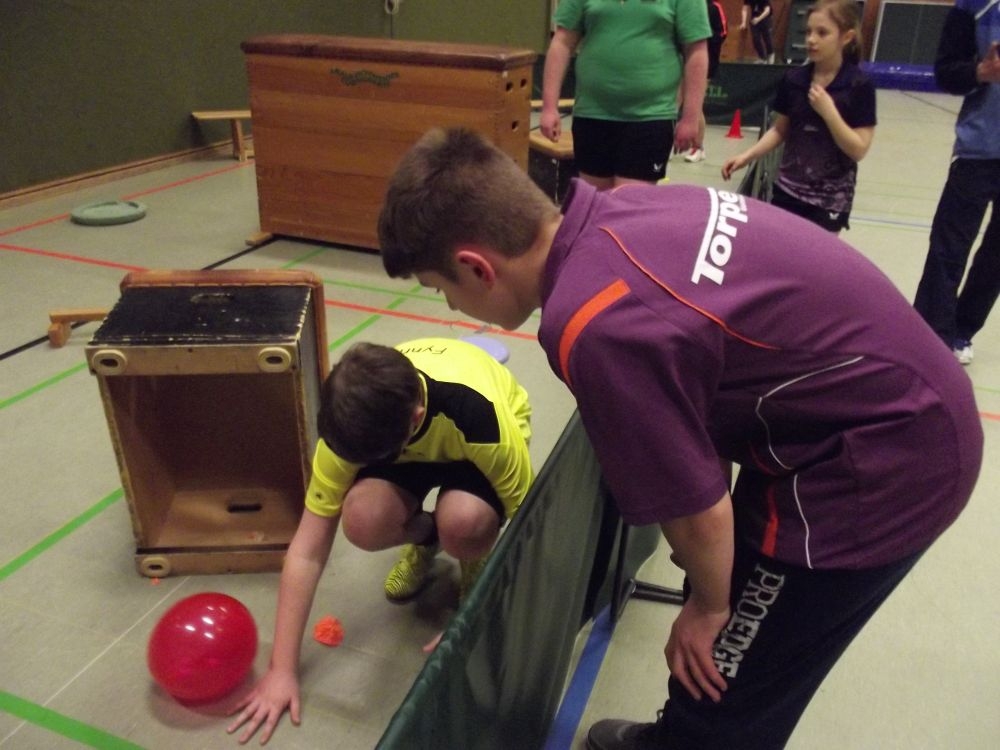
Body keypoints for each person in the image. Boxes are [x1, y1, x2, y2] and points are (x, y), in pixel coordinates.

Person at [377, 127, 982, 750]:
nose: (451, 308)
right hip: (866, 408)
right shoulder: (623, 206)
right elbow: (699, 417)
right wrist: (707, 582)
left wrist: (711, 607)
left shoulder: (594, 323)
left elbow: (700, 513)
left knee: (726, 670)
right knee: (717, 600)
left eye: (441, 289)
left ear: (477, 267)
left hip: (890, 457)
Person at [226, 337, 533, 745]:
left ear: (415, 419)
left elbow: (530, 532)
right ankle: (427, 540)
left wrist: (482, 614)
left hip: (467, 446)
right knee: (363, 519)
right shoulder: (346, 427)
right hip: (407, 444)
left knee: (465, 522)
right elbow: (307, 551)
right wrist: (281, 670)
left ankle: (469, 561)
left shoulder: (482, 419)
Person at [722, 0, 876, 233]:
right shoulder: (794, 80)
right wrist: (746, 156)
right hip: (788, 191)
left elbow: (858, 149)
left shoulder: (859, 86)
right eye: (808, 32)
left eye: (822, 33)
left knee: (817, 256)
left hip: (829, 200)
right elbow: (780, 130)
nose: (811, 39)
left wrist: (829, 113)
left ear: (846, 37)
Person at [539, 0, 711, 189]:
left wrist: (690, 118)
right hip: (592, 114)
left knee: (629, 201)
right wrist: (549, 107)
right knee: (596, 200)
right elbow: (562, 42)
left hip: (650, 116)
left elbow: (696, 51)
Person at [913, 0, 1000, 365]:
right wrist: (980, 72)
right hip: (978, 149)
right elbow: (946, 72)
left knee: (996, 257)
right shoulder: (974, 8)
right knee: (948, 247)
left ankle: (963, 329)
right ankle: (930, 335)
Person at [684, 0, 730, 163]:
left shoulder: (714, 7)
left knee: (696, 105)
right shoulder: (689, 6)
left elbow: (723, 33)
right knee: (676, 103)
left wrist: (702, 38)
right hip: (684, 61)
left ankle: (699, 147)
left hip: (706, 63)